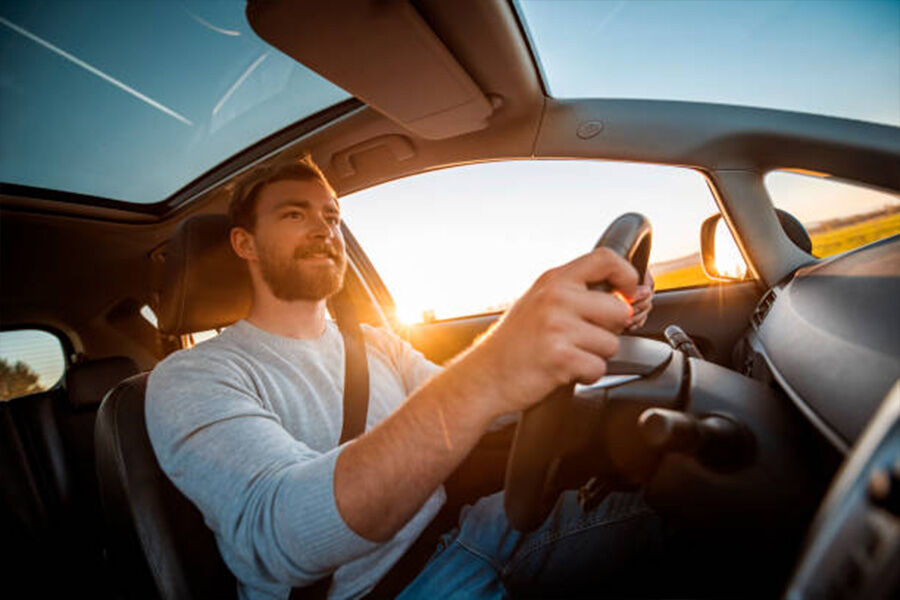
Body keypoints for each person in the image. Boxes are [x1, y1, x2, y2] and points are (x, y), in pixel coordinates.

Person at [146, 157, 658, 600]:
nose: (325, 228)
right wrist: (490, 371)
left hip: (470, 528)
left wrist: (586, 322)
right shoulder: (191, 377)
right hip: (381, 591)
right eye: (294, 214)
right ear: (245, 244)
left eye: (332, 215)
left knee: (691, 507)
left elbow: (488, 411)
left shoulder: (373, 342)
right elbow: (285, 535)